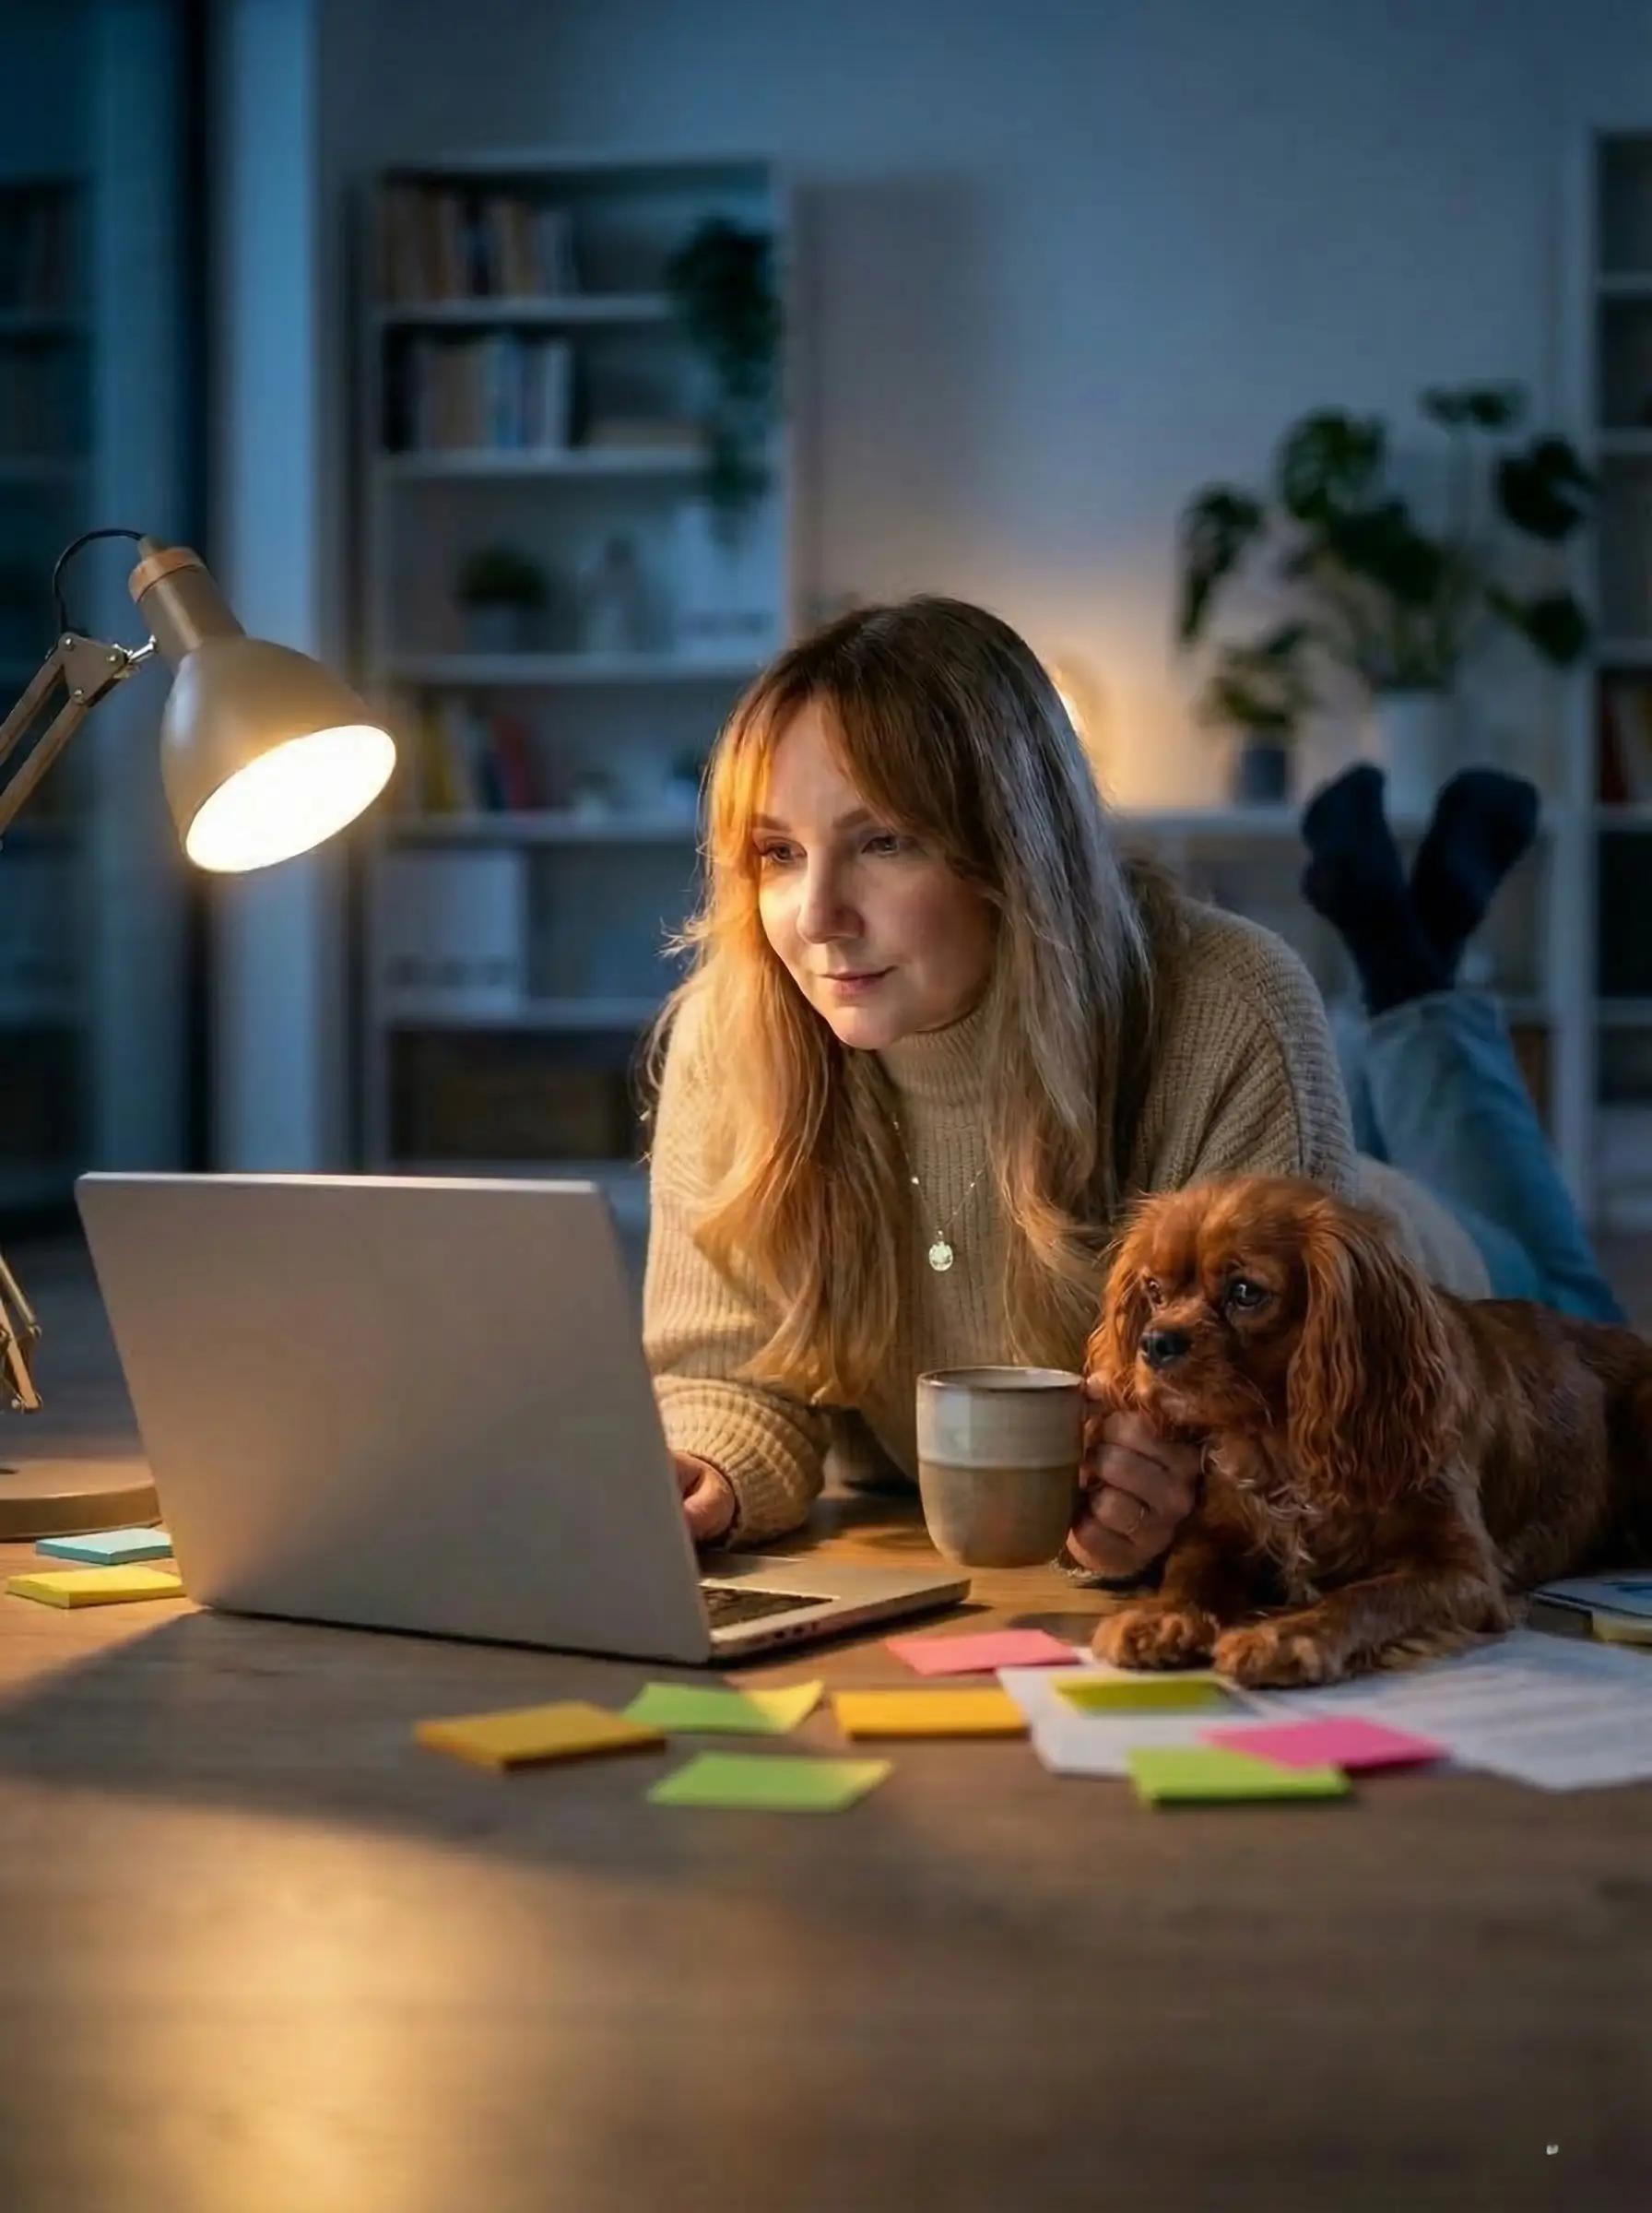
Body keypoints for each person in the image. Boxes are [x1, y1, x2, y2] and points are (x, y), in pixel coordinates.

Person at [640, 597, 1580, 1585]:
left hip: (1455, 1302)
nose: (817, 916)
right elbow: (728, 1373)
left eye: (883, 842)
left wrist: (1169, 1480)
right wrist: (706, 1468)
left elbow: (1289, 1429)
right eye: (777, 852)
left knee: (1555, 1264)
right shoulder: (733, 1026)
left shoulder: (1232, 1002)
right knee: (1403, 1059)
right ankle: (1412, 951)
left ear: (1009, 850)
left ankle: (1412, 976)